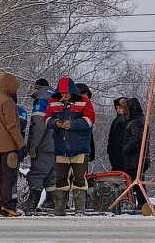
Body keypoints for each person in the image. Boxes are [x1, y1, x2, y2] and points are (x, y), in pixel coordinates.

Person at [45, 77, 96, 216]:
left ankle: (80, 209)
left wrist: (72, 124)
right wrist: (56, 123)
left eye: (66, 92)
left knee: (79, 179)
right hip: (61, 148)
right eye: (62, 93)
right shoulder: (53, 102)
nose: (64, 95)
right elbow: (47, 118)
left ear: (72, 91)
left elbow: (90, 119)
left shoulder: (85, 101)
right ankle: (59, 209)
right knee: (60, 179)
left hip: (80, 148)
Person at [0, 73, 26, 217]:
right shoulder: (7, 102)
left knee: (0, 177)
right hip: (9, 146)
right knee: (9, 178)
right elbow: (12, 126)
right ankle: (7, 206)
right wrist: (21, 144)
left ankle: (1, 206)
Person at [25, 78, 57, 213]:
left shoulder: (42, 101)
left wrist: (33, 145)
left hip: (44, 146)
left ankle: (31, 205)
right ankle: (52, 203)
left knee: (36, 175)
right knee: (52, 177)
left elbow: (38, 125)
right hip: (58, 146)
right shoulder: (58, 99)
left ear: (37, 89)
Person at [120, 97, 151, 213]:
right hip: (140, 158)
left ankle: (142, 204)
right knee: (138, 183)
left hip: (135, 158)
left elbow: (136, 139)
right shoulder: (141, 119)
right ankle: (142, 204)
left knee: (135, 182)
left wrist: (125, 149)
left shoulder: (136, 121)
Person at [107, 96, 129, 174]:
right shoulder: (115, 121)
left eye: (121, 108)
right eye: (117, 108)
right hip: (115, 155)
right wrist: (110, 151)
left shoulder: (130, 122)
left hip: (126, 156)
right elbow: (111, 137)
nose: (118, 110)